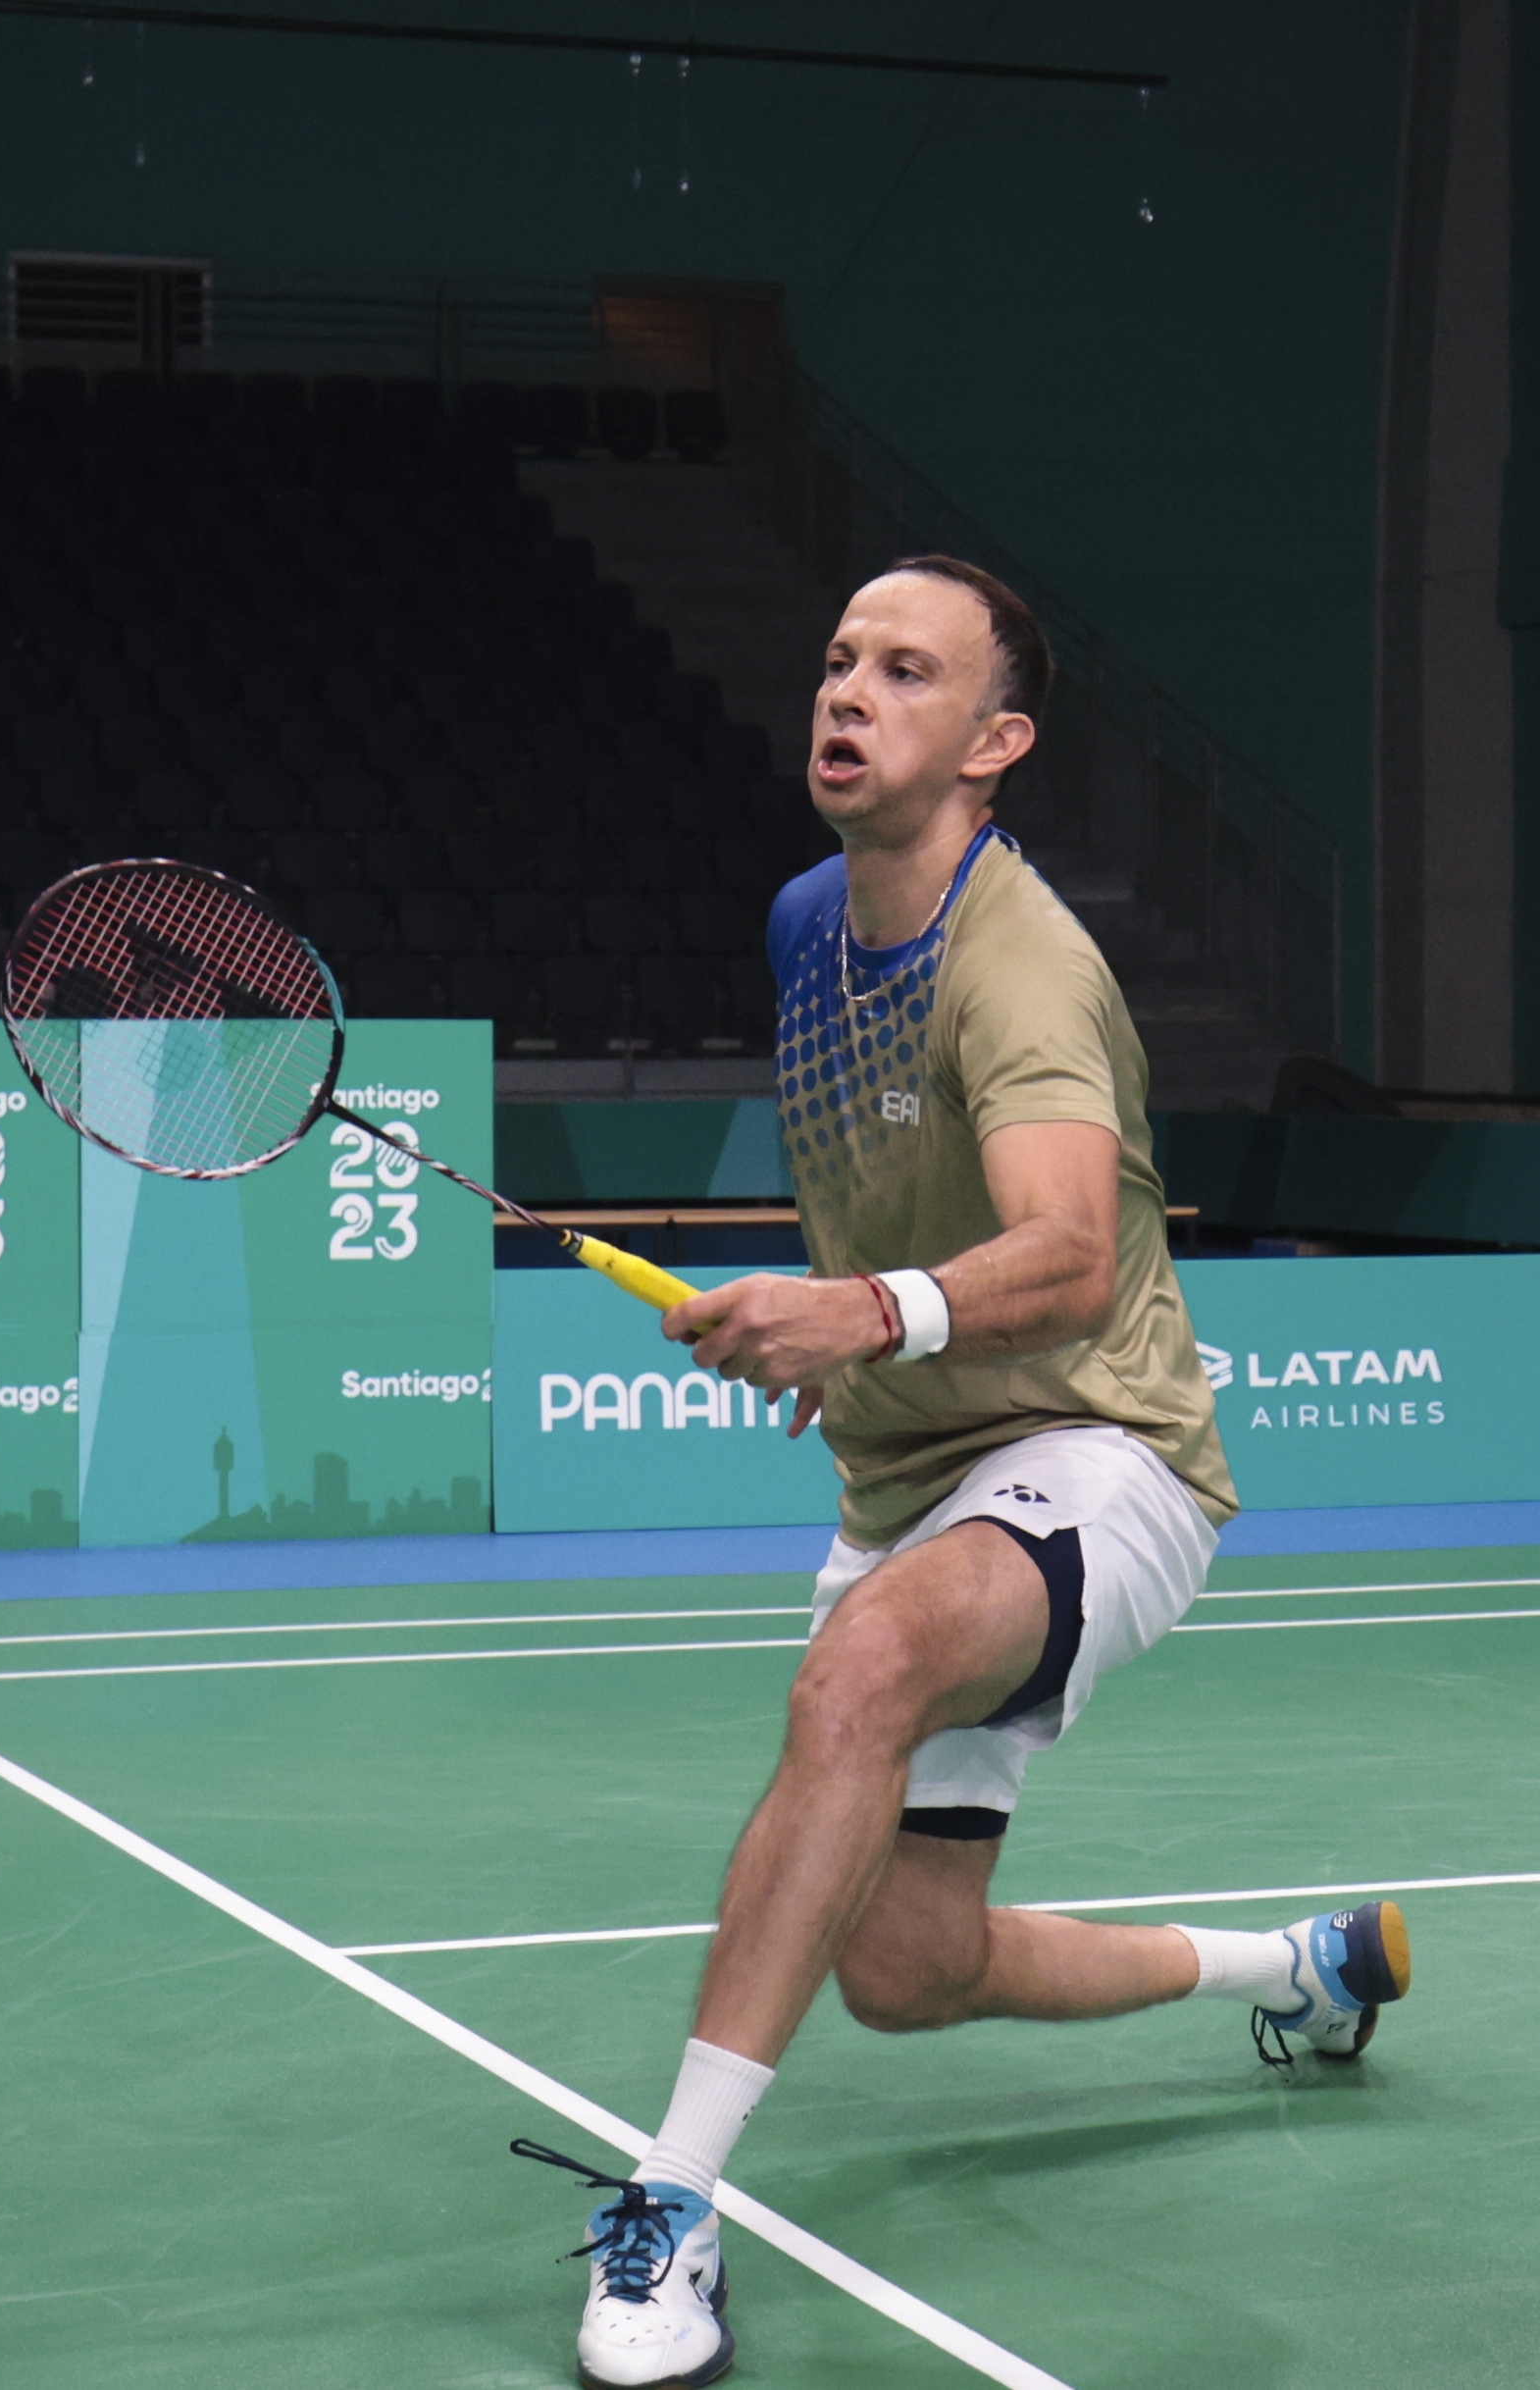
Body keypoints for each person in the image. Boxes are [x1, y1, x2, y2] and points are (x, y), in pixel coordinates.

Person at [531, 558, 1414, 2390]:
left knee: (853, 1675)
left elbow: (1070, 1252)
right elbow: (879, 1183)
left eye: (905, 672)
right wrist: (842, 1343)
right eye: (837, 658)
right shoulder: (802, 921)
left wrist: (858, 1312)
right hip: (915, 1473)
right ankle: (1291, 1968)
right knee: (905, 1969)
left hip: (1101, 1451)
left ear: (993, 741)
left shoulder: (1024, 967)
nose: (846, 692)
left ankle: (666, 2208)